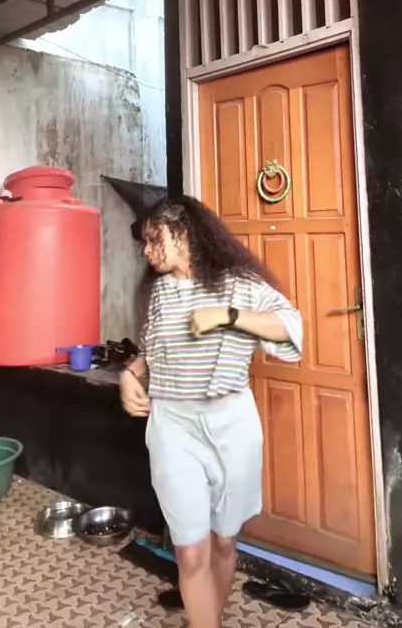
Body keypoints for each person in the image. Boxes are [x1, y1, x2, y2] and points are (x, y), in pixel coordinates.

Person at [120, 196, 303, 628]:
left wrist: (227, 315)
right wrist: (130, 374)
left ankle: (207, 618)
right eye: (144, 243)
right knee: (190, 550)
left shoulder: (238, 285)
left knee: (223, 542)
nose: (147, 252)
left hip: (230, 427)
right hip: (172, 427)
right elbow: (152, 352)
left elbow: (290, 328)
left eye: (154, 239)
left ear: (183, 233)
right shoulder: (159, 293)